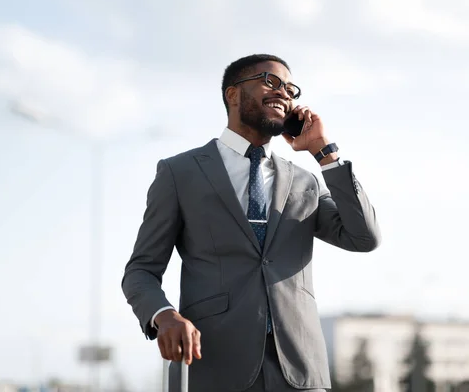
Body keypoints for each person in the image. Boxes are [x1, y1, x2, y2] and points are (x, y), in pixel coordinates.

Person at [121, 54, 381, 392]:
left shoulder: (306, 182)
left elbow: (364, 237)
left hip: (300, 371)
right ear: (233, 94)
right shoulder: (179, 173)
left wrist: (325, 154)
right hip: (216, 364)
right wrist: (164, 314)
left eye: (290, 89)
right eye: (270, 81)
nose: (284, 93)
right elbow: (140, 271)